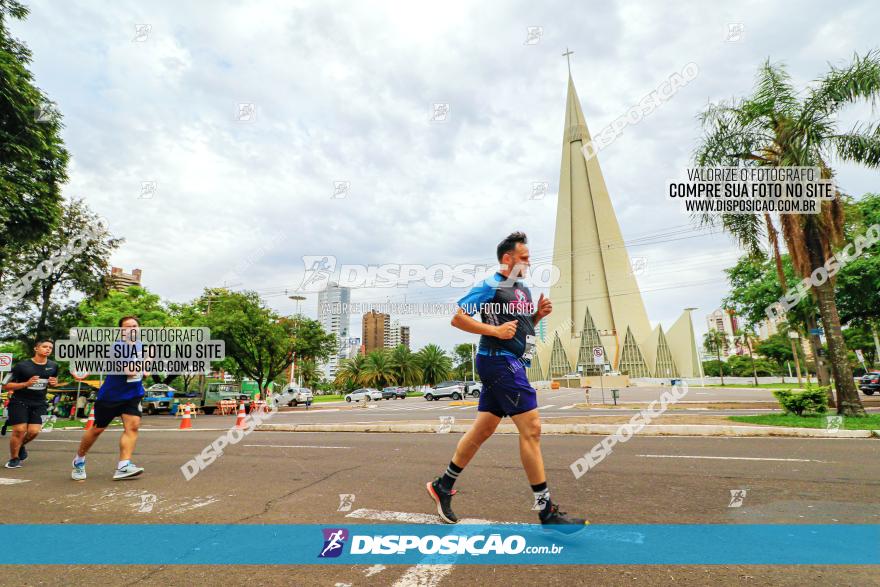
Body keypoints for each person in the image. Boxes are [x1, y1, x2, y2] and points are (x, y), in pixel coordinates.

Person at [426, 231, 587, 530]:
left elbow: (523, 328)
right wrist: (493, 332)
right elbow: (458, 318)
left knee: (483, 430)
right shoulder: (491, 286)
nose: (529, 262)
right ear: (507, 259)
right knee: (532, 429)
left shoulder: (523, 290)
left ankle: (443, 485)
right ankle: (546, 512)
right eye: (524, 257)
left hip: (515, 364)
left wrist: (537, 315)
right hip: (498, 362)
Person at [71, 316, 146, 481]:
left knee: (132, 427)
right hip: (111, 396)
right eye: (127, 327)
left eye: (135, 326)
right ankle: (79, 460)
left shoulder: (142, 346)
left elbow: (144, 373)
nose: (132, 329)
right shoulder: (117, 347)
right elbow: (131, 371)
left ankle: (123, 466)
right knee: (97, 429)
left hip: (133, 395)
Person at [3, 340, 59, 468]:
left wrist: (54, 383)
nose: (48, 349)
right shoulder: (21, 366)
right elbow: (5, 385)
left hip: (39, 403)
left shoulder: (53, 366)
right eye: (45, 346)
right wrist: (25, 384)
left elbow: (54, 380)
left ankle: (20, 445)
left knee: (34, 432)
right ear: (36, 348)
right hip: (19, 401)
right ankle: (14, 458)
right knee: (19, 430)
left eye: (50, 347)